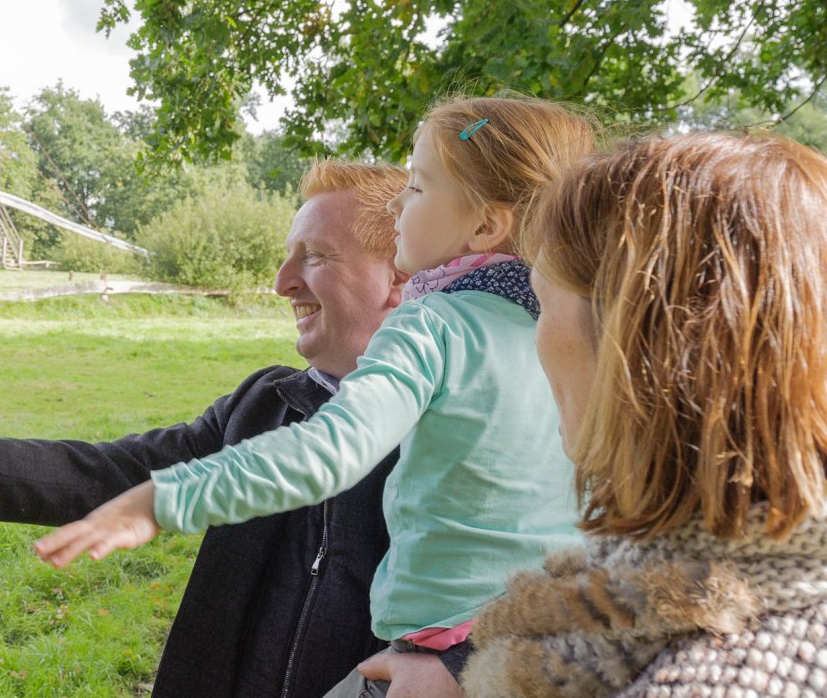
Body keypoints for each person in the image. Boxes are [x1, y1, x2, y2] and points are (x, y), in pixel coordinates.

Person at [34, 96, 595, 697]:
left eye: (418, 188)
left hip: (436, 655)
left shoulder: (432, 325)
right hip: (543, 656)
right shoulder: (575, 335)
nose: (400, 204)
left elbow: (328, 451)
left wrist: (158, 501)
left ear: (485, 224)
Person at [0, 161, 413, 696]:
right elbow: (113, 473)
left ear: (398, 277)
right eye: (288, 256)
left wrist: (455, 662)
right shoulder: (264, 404)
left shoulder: (467, 440)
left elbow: (503, 599)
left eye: (315, 256)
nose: (283, 281)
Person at [452, 131, 827, 697]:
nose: (537, 340)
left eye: (543, 301)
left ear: (639, 340)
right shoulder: (776, 587)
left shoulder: (710, 678)